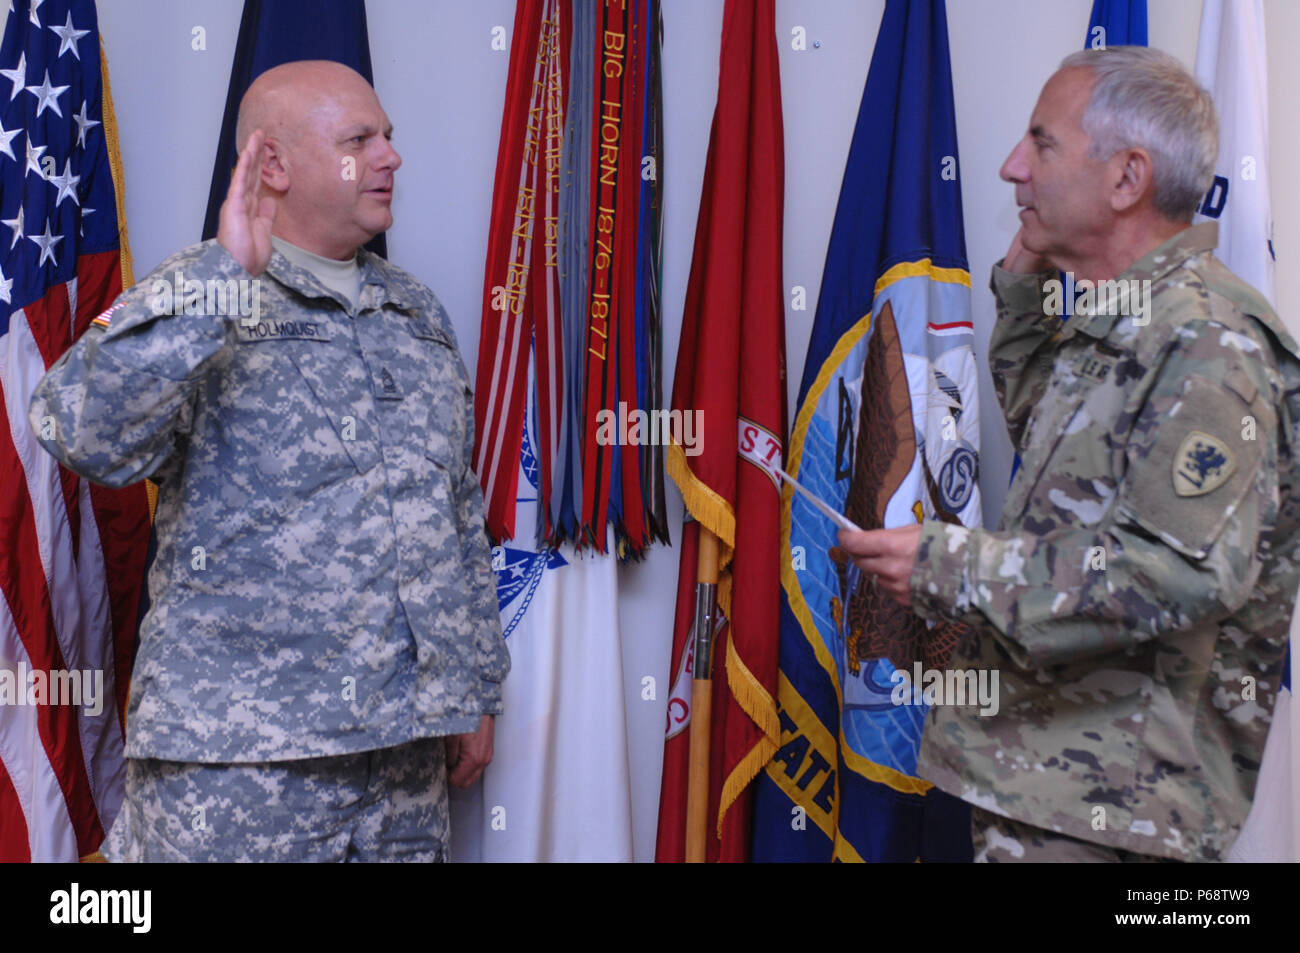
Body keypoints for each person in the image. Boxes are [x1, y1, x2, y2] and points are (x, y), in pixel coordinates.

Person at [28, 60, 509, 862]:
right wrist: (224, 280)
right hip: (239, 768)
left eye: (388, 136)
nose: (391, 157)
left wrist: (474, 688)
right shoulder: (201, 287)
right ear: (274, 164)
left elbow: (455, 513)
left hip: (401, 766)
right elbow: (81, 429)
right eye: (361, 139)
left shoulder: (416, 312)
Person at [837, 46, 1300, 862]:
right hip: (1053, 794)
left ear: (1127, 179)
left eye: (1043, 144)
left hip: (1116, 817)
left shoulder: (1210, 341)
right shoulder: (1133, 317)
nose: (1014, 167)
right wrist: (1021, 288)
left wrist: (951, 566)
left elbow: (1175, 572)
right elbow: (1060, 455)